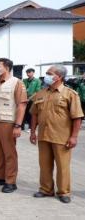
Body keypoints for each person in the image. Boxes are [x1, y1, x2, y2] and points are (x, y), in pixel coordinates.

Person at [30, 65, 83, 203]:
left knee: (62, 166)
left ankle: (64, 192)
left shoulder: (70, 94)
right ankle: (45, 189)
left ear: (59, 77)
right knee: (44, 165)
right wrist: (32, 132)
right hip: (43, 136)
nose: (46, 75)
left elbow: (77, 117)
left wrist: (74, 136)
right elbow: (34, 114)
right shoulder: (41, 93)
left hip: (62, 137)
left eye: (49, 73)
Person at [0, 58, 28, 193]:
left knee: (9, 153)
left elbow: (22, 105)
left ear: (7, 68)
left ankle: (10, 181)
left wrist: (18, 125)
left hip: (7, 123)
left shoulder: (16, 83)